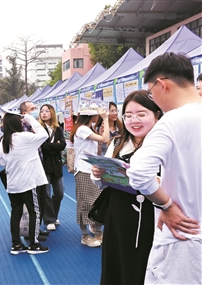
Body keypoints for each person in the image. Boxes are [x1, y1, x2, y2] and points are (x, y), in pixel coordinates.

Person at [126, 52, 201, 284]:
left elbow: (138, 173)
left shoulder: (172, 121)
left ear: (161, 84)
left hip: (184, 236)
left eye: (151, 92)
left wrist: (165, 204)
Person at [91, 90, 163, 285]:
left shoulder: (164, 145)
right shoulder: (117, 142)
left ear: (157, 114)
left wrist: (143, 178)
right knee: (115, 262)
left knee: (142, 264)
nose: (134, 120)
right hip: (117, 212)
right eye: (128, 115)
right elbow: (102, 182)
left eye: (141, 114)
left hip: (149, 215)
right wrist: (98, 174)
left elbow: (173, 183)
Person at [0, 111, 49, 255]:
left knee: (16, 213)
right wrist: (30, 118)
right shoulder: (25, 137)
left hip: (12, 183)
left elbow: (1, 162)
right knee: (34, 212)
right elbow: (44, 135)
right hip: (27, 183)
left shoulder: (3, 141)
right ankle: (34, 244)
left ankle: (16, 245)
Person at [69, 107, 110, 247]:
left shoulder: (88, 129)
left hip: (92, 169)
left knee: (97, 201)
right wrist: (106, 118)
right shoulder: (82, 129)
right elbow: (105, 139)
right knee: (85, 203)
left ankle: (98, 232)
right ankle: (84, 236)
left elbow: (98, 148)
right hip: (83, 170)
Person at [19, 101, 50, 239]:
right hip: (29, 168)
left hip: (38, 165)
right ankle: (31, 233)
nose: (37, 111)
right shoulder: (23, 127)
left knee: (41, 199)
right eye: (33, 109)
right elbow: (43, 137)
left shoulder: (34, 126)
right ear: (25, 113)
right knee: (33, 202)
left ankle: (36, 228)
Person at [39, 104, 66, 231]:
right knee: (46, 193)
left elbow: (63, 145)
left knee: (59, 192)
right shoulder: (39, 129)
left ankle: (53, 215)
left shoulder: (58, 129)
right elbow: (43, 147)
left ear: (52, 113)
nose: (44, 113)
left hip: (56, 164)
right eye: (42, 111)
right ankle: (49, 219)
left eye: (47, 111)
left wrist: (52, 146)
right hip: (44, 164)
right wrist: (55, 145)